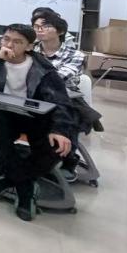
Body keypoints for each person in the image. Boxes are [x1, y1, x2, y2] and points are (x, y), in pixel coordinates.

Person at [0, 24, 78, 221]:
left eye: (17, 42)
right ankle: (25, 190)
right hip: (3, 113)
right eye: (6, 39)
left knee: (55, 146)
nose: (9, 45)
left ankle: (10, 179)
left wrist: (60, 130)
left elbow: (61, 101)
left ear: (29, 46)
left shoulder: (42, 68)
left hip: (36, 117)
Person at [33, 11, 99, 180]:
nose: (39, 30)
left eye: (46, 26)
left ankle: (69, 161)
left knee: (67, 116)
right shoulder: (30, 50)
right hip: (34, 97)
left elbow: (57, 79)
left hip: (66, 99)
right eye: (36, 26)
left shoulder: (75, 55)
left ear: (60, 31)